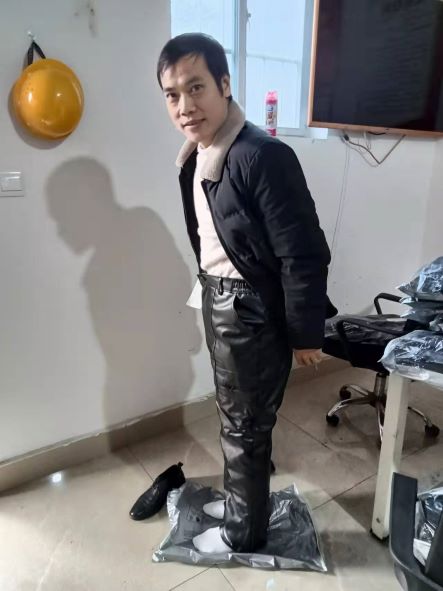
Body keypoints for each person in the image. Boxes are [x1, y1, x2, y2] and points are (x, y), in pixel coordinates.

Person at [157, 33, 335, 554]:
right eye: (172, 94)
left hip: (249, 310)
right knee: (236, 417)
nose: (185, 106)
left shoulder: (262, 156)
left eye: (196, 88)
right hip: (217, 299)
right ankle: (243, 505)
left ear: (225, 85)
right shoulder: (198, 155)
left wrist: (305, 333)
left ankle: (242, 533)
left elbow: (303, 252)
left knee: (244, 428)